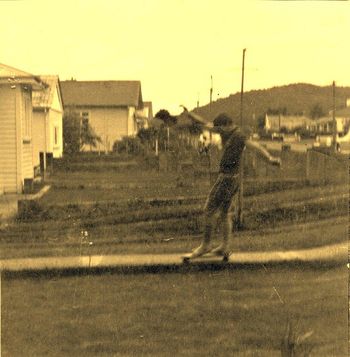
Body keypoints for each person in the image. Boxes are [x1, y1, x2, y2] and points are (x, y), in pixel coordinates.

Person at [181, 108, 281, 258]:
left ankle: (206, 245)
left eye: (220, 128)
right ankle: (225, 248)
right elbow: (206, 124)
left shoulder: (239, 135)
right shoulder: (226, 131)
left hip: (227, 179)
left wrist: (270, 159)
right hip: (233, 179)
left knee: (209, 210)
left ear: (227, 124)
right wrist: (190, 114)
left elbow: (256, 147)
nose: (217, 131)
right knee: (224, 213)